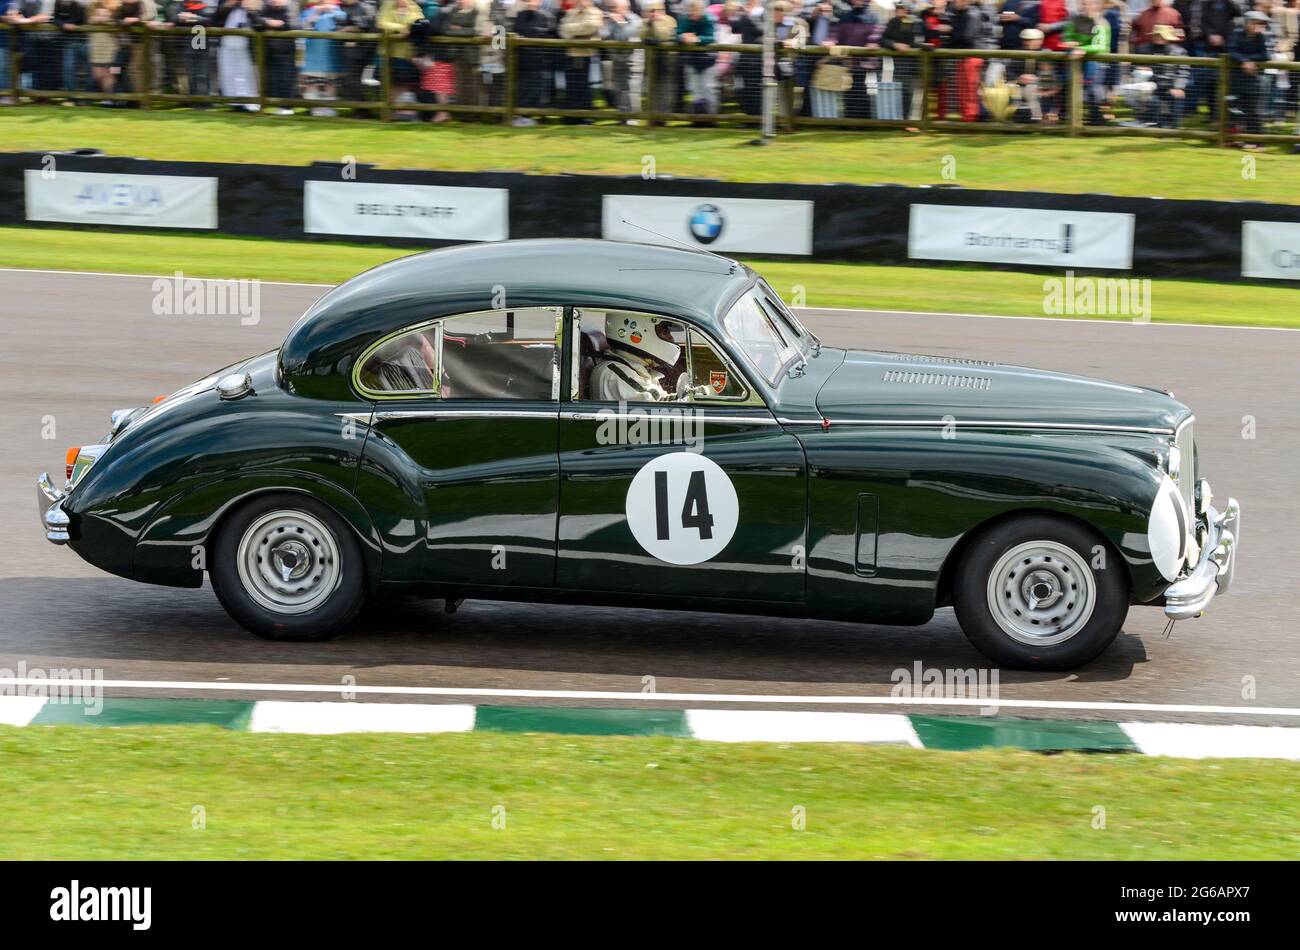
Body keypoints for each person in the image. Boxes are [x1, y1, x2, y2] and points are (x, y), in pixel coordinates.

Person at [590, 314, 681, 403]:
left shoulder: (636, 368)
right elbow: (654, 404)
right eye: (665, 332)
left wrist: (686, 396)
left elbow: (661, 398)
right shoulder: (614, 372)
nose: (671, 338)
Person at [1062, 0, 1111, 124]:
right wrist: (1070, 42)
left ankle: (1098, 122)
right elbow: (1067, 35)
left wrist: (1082, 48)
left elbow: (1100, 46)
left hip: (1097, 63)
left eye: (1087, 3)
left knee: (1092, 92)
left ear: (1097, 6)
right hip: (1078, 61)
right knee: (1069, 85)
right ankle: (1070, 120)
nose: (1084, 6)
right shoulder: (1075, 20)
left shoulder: (1101, 23)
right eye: (1082, 3)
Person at [1229, 9, 1273, 136]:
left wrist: (1248, 60)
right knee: (1235, 109)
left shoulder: (1264, 36)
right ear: (1247, 23)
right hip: (1237, 79)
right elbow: (1231, 50)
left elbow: (1267, 55)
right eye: (1256, 23)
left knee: (1255, 111)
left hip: (1257, 80)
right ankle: (1236, 139)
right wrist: (1245, 61)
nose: (1260, 26)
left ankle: (1256, 140)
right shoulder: (1236, 34)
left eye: (1261, 23)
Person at [558, 0, 602, 114]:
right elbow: (562, 30)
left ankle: (584, 114)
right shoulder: (571, 12)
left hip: (583, 54)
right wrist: (577, 31)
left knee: (582, 85)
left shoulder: (595, 12)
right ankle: (572, 114)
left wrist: (571, 29)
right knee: (571, 85)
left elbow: (590, 27)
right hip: (570, 53)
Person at [512, 0, 554, 118]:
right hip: (522, 59)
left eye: (532, 1)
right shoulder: (520, 15)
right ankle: (523, 113)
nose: (530, 3)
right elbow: (515, 31)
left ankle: (538, 114)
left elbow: (548, 34)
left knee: (537, 87)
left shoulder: (546, 16)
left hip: (538, 59)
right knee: (523, 87)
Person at [213, 0, 257, 107]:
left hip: (244, 44)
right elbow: (216, 17)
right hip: (226, 42)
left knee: (244, 72)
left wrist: (248, 7)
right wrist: (230, 4)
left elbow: (256, 18)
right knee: (228, 73)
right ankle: (234, 102)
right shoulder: (224, 3)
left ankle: (247, 101)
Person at [603, 0, 641, 116]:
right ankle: (622, 117)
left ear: (626, 7)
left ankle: (632, 117)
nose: (613, 9)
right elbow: (603, 35)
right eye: (612, 7)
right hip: (616, 59)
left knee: (631, 90)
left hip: (633, 60)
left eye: (615, 7)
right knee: (618, 89)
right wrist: (604, 23)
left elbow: (624, 36)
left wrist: (620, 22)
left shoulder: (635, 20)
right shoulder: (612, 19)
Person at [641, 0, 676, 119]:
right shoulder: (646, 21)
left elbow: (663, 36)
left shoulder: (669, 20)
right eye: (651, 11)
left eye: (655, 10)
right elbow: (641, 36)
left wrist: (655, 23)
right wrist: (649, 24)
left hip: (666, 59)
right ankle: (653, 115)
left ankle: (664, 116)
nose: (653, 13)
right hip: (651, 60)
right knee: (652, 88)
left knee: (665, 88)